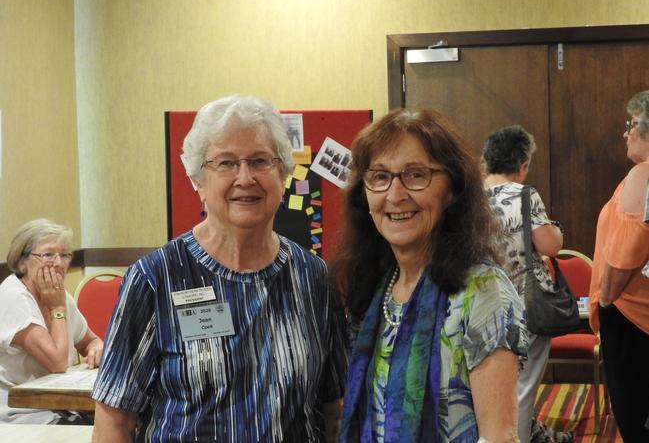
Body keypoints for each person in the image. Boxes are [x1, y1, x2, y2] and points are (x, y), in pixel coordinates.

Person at [92, 95, 348, 443]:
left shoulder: (313, 277)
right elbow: (114, 422)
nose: (245, 178)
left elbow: (332, 409)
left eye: (260, 161)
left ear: (284, 173)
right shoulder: (155, 278)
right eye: (225, 163)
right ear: (198, 180)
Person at [334, 107, 527, 443]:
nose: (395, 195)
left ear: (451, 190)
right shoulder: (377, 286)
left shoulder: (483, 291)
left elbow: (499, 437)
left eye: (415, 175)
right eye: (380, 177)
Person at [482, 125, 565, 443]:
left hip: (481, 306)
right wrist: (556, 228)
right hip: (525, 306)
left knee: (487, 388)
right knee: (522, 388)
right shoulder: (524, 195)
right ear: (522, 164)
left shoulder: (468, 198)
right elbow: (549, 245)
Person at [588, 90, 649, 443]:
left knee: (634, 418)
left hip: (630, 318)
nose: (625, 133)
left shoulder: (643, 173)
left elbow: (630, 246)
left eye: (632, 124)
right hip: (638, 316)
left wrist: (607, 298)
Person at [0, 218, 104, 424]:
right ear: (22, 261)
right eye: (48, 255)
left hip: (59, 407)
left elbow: (90, 341)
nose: (58, 263)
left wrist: (97, 348)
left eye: (64, 255)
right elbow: (56, 362)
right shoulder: (12, 297)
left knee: (124, 424)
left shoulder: (59, 295)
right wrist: (57, 309)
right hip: (20, 413)